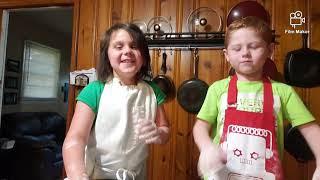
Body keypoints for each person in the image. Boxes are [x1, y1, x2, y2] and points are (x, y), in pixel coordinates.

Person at [193, 16, 320, 180]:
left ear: (270, 50)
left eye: (253, 46)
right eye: (237, 49)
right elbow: (200, 127)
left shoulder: (283, 92)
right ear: (227, 55)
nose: (245, 53)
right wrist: (206, 147)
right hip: (219, 175)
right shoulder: (218, 89)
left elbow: (311, 130)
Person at [63, 23, 170, 180]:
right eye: (119, 47)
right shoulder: (94, 90)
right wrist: (77, 175)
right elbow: (75, 138)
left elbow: (164, 128)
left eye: (134, 46)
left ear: (144, 57)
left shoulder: (153, 91)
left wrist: (159, 134)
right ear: (107, 55)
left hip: (137, 175)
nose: (127, 51)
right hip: (95, 175)